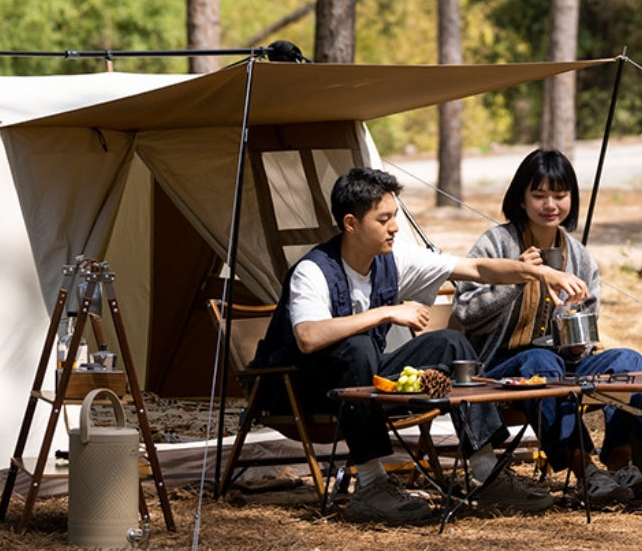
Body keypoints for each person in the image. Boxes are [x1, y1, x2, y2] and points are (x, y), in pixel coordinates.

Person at [251, 166, 587, 524]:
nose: (395, 227)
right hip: (303, 390)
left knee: (451, 344)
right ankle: (371, 484)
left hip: (364, 382)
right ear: (351, 223)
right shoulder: (313, 270)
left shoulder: (392, 259)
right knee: (359, 347)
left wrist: (539, 273)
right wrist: (385, 313)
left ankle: (487, 473)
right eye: (384, 219)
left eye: (394, 216)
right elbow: (308, 337)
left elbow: (476, 269)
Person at [451, 148, 642, 507]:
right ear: (521, 199)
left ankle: (623, 465)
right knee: (540, 361)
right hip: (498, 369)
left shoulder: (579, 256)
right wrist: (518, 276)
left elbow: (587, 326)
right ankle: (587, 473)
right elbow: (465, 313)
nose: (550, 205)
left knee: (630, 361)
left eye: (560, 194)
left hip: (562, 365)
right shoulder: (496, 243)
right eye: (539, 195)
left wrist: (578, 341)